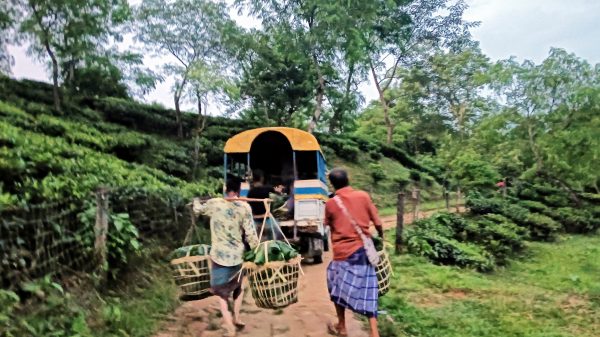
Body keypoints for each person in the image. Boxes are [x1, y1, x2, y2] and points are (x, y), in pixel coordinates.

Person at [193, 180, 259, 337]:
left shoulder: (214, 204)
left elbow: (197, 210)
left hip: (219, 256)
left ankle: (229, 325)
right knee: (238, 287)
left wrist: (196, 200)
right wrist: (257, 252)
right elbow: (251, 234)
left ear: (224, 189)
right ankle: (237, 317)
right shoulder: (245, 207)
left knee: (221, 293)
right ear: (239, 190)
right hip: (237, 255)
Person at [324, 168, 384, 337]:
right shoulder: (363, 196)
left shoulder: (330, 203)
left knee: (334, 286)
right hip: (363, 252)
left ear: (332, 184)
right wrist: (382, 238)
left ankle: (342, 326)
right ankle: (374, 332)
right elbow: (378, 222)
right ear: (348, 179)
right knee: (369, 290)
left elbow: (327, 225)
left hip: (342, 255)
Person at [246, 169, 284, 241]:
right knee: (277, 230)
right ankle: (273, 244)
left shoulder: (250, 192)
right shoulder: (268, 189)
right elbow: (279, 196)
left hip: (255, 220)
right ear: (262, 178)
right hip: (267, 220)